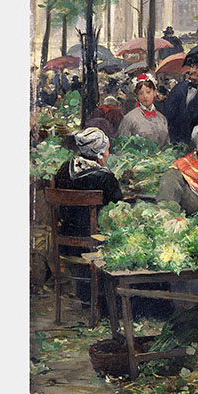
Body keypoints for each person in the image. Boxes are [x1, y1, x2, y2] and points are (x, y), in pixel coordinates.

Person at [53, 127, 124, 302]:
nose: (108, 153)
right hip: (94, 244)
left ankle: (85, 294)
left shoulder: (65, 168)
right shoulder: (105, 178)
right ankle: (109, 297)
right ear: (100, 153)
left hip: (65, 239)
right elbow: (118, 205)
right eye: (107, 149)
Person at [161, 52, 198, 146]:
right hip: (176, 140)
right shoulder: (179, 88)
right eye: (192, 67)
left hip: (196, 142)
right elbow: (168, 112)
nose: (193, 71)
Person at [117, 73, 170, 145]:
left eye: (148, 92)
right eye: (141, 93)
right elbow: (122, 145)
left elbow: (167, 144)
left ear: (154, 92)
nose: (145, 96)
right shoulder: (130, 118)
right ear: (137, 96)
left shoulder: (162, 118)